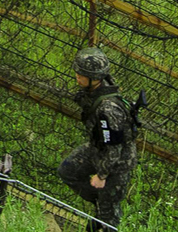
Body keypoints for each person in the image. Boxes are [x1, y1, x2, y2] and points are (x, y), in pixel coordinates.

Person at [57, 46, 137, 231]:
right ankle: (103, 204)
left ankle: (107, 207)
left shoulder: (108, 110)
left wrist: (101, 176)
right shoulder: (99, 88)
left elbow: (114, 149)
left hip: (116, 162)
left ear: (95, 79)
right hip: (97, 148)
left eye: (81, 74)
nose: (77, 77)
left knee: (109, 221)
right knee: (67, 171)